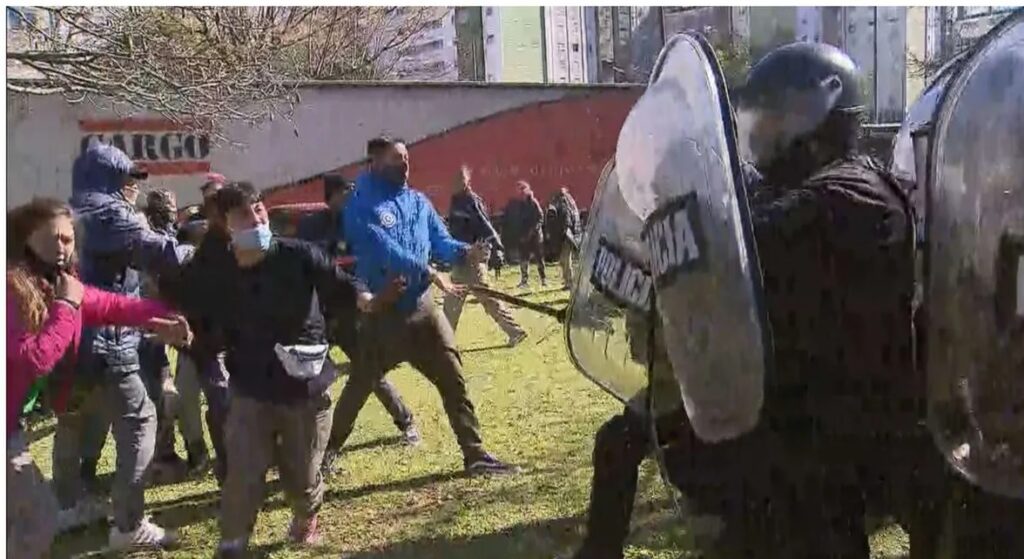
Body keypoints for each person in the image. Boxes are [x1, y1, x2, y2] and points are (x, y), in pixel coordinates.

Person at [166, 182, 372, 556]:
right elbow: (185, 304)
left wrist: (363, 296)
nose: (257, 218)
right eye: (245, 214)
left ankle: (306, 513)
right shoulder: (214, 269)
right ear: (225, 224)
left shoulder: (298, 255)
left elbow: (341, 284)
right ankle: (232, 541)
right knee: (243, 470)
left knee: (302, 476)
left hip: (304, 387)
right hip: (250, 386)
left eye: (259, 209)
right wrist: (175, 326)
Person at [7, 197, 190, 558]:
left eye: (68, 239)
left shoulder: (49, 285)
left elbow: (107, 305)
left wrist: (162, 315)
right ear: (26, 238)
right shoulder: (12, 288)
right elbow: (33, 359)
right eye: (52, 239)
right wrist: (66, 307)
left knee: (31, 515)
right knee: (38, 515)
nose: (62, 248)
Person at [327, 136, 519, 476]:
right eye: (396, 159)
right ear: (374, 161)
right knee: (359, 386)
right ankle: (324, 456)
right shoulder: (360, 204)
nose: (405, 165)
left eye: (407, 158)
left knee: (453, 378)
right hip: (384, 313)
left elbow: (440, 242)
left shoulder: (417, 202)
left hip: (423, 309)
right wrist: (429, 271)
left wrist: (464, 251)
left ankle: (474, 454)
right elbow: (384, 249)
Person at [69, 142, 188, 549]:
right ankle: (128, 524)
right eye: (129, 179)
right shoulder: (114, 214)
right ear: (115, 178)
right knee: (140, 422)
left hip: (72, 337)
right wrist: (206, 247)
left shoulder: (71, 210)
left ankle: (68, 505)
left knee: (76, 423)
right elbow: (164, 254)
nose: (134, 187)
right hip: (110, 339)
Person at [296, 173, 421, 455]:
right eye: (345, 193)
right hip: (317, 315)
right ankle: (311, 444)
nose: (351, 198)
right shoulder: (312, 226)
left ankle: (406, 421)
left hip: (354, 312)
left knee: (369, 373)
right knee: (310, 380)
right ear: (331, 197)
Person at [443, 165, 527, 346]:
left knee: (455, 301)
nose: (456, 183)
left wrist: (497, 247)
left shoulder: (470, 201)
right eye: (455, 180)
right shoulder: (456, 201)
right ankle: (515, 331)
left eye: (460, 180)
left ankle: (443, 341)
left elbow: (485, 225)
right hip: (462, 256)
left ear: (467, 181)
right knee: (478, 299)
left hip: (471, 258)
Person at [505, 181, 547, 289]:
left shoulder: (533, 202)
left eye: (522, 189)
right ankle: (524, 281)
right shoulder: (518, 204)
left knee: (539, 258)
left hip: (535, 236)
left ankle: (543, 280)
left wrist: (534, 231)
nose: (520, 192)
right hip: (523, 236)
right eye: (518, 190)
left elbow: (540, 218)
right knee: (523, 259)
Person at [547, 187, 581, 290]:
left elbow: (566, 221)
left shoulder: (563, 205)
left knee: (566, 260)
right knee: (565, 260)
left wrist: (562, 233)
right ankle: (568, 281)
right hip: (569, 235)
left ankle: (570, 283)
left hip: (566, 236)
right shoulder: (570, 203)